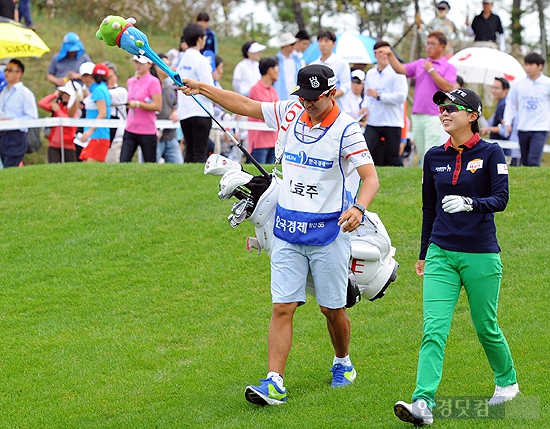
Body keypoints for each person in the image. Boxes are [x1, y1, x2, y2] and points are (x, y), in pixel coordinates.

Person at [179, 64, 379, 405]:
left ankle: (343, 363)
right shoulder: (290, 111)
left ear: (332, 93)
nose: (307, 103)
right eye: (303, 96)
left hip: (328, 234)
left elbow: (370, 177)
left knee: (332, 310)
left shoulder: (347, 131)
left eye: (314, 98)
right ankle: (274, 382)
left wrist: (358, 207)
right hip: (286, 229)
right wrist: (203, 88)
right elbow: (244, 105)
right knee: (282, 307)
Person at [393, 87, 519, 427]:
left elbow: (501, 198)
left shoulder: (491, 153)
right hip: (440, 253)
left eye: (453, 108)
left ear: (473, 116)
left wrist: (471, 203)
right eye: (442, 108)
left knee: (485, 326)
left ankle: (507, 381)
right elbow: (429, 208)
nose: (445, 112)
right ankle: (423, 402)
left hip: (481, 254)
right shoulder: (434, 156)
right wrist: (423, 253)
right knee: (434, 328)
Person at [376, 31, 456, 163]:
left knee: (430, 152)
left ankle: (431, 181)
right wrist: (390, 54)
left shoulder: (448, 67)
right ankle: (425, 180)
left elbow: (447, 87)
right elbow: (400, 69)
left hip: (436, 115)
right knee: (421, 152)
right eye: (428, 43)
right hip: (418, 114)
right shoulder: (420, 63)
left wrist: (431, 70)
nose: (428, 46)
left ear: (442, 47)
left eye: (433, 44)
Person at [363, 41, 409, 166]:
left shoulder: (397, 73)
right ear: (375, 54)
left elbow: (401, 96)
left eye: (388, 53)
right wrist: (364, 107)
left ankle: (402, 179)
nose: (384, 56)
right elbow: (367, 96)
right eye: (381, 53)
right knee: (365, 152)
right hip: (373, 121)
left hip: (391, 122)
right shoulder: (370, 73)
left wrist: (379, 96)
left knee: (393, 156)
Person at [503, 52, 550, 167]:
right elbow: (511, 103)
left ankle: (537, 182)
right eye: (526, 64)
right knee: (525, 160)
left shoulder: (547, 83)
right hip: (523, 126)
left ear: (540, 66)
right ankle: (529, 181)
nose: (528, 68)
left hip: (540, 127)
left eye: (531, 65)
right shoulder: (518, 84)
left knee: (533, 159)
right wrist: (508, 122)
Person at [176, 23, 214, 163]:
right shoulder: (201, 60)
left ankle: (187, 181)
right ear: (199, 39)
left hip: (185, 112)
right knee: (200, 151)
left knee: (190, 150)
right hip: (201, 111)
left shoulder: (181, 60)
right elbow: (209, 88)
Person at [120, 56, 162, 163]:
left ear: (149, 65)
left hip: (147, 130)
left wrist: (139, 104)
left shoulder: (153, 82)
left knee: (150, 162)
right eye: (136, 63)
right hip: (131, 127)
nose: (138, 66)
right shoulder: (131, 81)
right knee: (124, 161)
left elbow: (158, 106)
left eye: (141, 63)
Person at [0, 59, 38, 168]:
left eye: (10, 70)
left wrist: (12, 121)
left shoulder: (25, 93)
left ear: (19, 73)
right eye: (6, 70)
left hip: (16, 135)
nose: (6, 73)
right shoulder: (3, 92)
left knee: (9, 168)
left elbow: (32, 118)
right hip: (2, 135)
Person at [38, 80, 83, 163]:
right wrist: (54, 95)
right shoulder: (58, 105)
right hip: (54, 144)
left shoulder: (75, 109)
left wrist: (58, 111)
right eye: (63, 93)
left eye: (67, 94)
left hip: (69, 145)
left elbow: (68, 121)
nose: (64, 95)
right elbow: (41, 103)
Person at [248, 57, 279, 164]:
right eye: (276, 69)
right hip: (259, 142)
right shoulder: (255, 89)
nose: (277, 72)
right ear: (270, 71)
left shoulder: (273, 90)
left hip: (273, 140)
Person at [311, 29, 351, 112]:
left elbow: (345, 86)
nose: (322, 44)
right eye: (320, 41)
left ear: (334, 44)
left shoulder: (342, 63)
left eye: (326, 41)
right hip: (319, 110)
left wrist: (327, 97)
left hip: (339, 108)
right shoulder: (313, 65)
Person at [79, 63, 111, 163]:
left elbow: (103, 113)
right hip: (94, 137)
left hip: (98, 136)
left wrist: (90, 131)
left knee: (89, 172)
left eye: (90, 76)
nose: (87, 79)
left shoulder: (98, 90)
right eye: (84, 76)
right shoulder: (98, 89)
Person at [155, 54, 183, 164]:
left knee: (179, 167)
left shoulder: (170, 88)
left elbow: (174, 106)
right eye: (165, 65)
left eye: (169, 65)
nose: (169, 68)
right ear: (156, 66)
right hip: (155, 137)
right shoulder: (151, 85)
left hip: (171, 136)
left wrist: (176, 112)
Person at [103, 61, 128, 163]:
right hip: (102, 137)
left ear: (116, 77)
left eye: (110, 77)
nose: (108, 80)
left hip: (117, 139)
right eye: (105, 77)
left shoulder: (121, 91)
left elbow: (104, 97)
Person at [273, 32, 302, 100]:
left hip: (296, 97)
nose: (294, 46)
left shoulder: (297, 59)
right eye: (292, 44)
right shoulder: (275, 61)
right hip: (280, 98)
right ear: (284, 45)